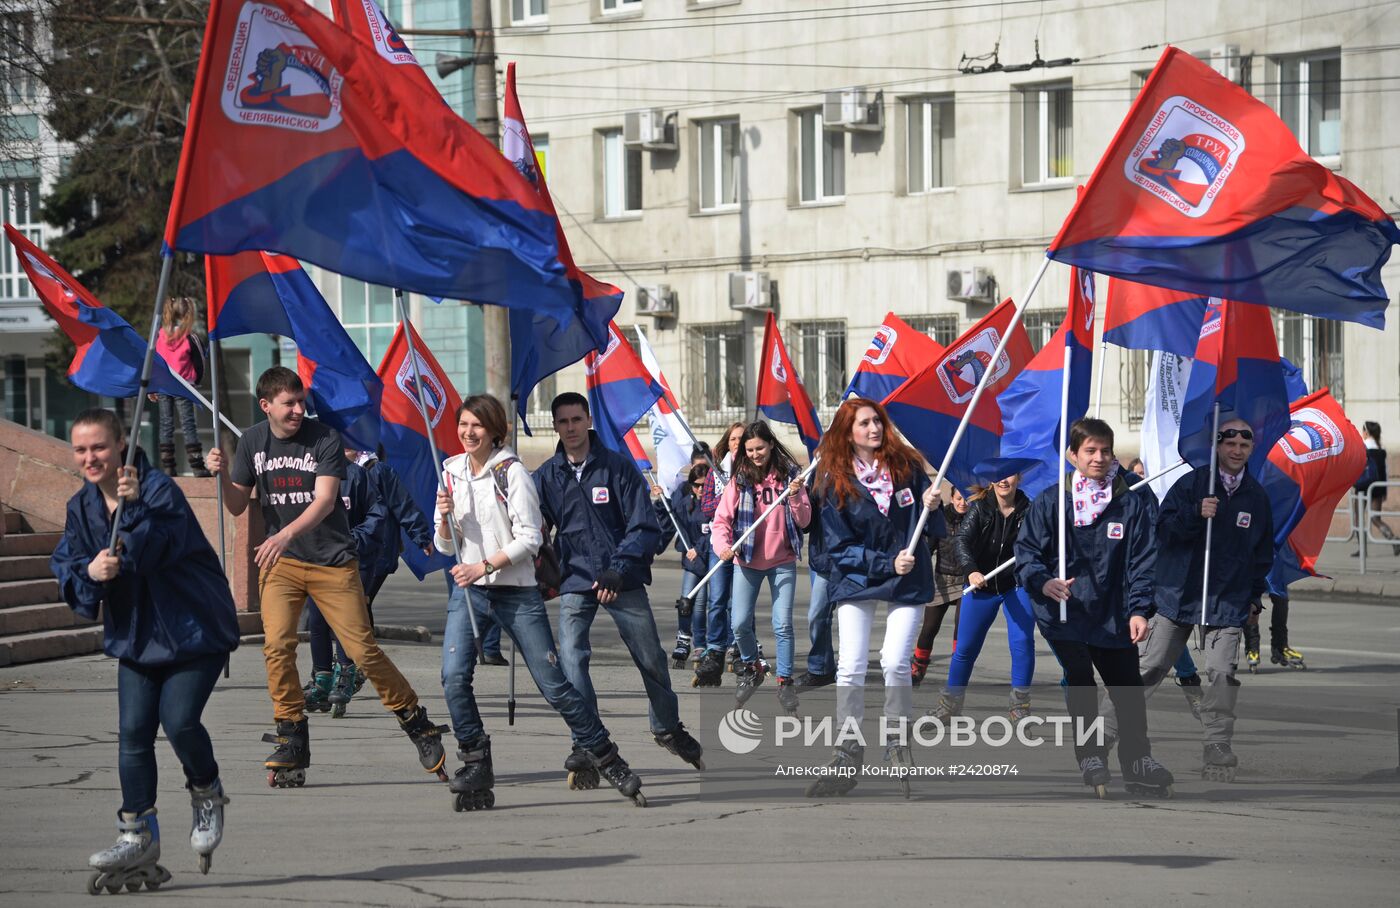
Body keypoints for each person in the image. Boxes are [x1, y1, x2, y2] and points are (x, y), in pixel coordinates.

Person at [206, 366, 448, 787]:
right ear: (266, 406)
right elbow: (236, 507)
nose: (298, 410)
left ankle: (416, 722)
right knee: (277, 646)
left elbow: (324, 500)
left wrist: (282, 534)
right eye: (289, 404)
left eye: (301, 402)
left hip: (332, 561)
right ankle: (291, 734)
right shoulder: (252, 442)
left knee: (362, 651)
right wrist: (222, 475)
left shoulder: (325, 439)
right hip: (282, 565)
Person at [51, 409, 240, 890]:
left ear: (120, 446)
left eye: (99, 447)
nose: (90, 458)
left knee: (178, 721)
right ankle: (137, 832)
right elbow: (68, 564)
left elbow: (153, 547)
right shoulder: (82, 507)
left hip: (194, 629)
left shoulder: (157, 492)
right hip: (137, 635)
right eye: (81, 449)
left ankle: (206, 791)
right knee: (133, 732)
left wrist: (133, 511)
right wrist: (88, 574)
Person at [434, 394, 648, 809]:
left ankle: (606, 756)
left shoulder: (511, 472)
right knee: (452, 676)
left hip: (516, 592)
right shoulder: (450, 472)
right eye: (463, 425)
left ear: (494, 429)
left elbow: (531, 538)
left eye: (477, 425)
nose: (468, 433)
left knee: (554, 685)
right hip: (471, 592)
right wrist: (444, 519)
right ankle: (476, 759)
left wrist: (484, 566)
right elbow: (446, 547)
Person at [534, 392, 704, 798]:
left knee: (652, 658)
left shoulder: (617, 467)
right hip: (576, 579)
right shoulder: (547, 475)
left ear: (588, 420)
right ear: (555, 426)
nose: (571, 428)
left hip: (620, 578)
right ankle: (587, 738)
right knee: (572, 657)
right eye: (563, 422)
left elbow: (643, 527)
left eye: (577, 420)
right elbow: (530, 524)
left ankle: (667, 727)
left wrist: (618, 568)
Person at [1101, 416, 1273, 783]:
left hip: (1227, 601)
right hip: (1179, 594)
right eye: (1230, 444)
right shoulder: (1192, 484)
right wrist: (1197, 514)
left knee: (1222, 674)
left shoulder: (1256, 497)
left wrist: (1255, 596)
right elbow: (1163, 531)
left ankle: (1217, 744)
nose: (1237, 451)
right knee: (1148, 669)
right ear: (1218, 446)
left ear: (1250, 449)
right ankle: (1104, 732)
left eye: (1244, 445)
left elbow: (1262, 552)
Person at [1016, 417, 1174, 798]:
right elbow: (1027, 554)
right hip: (1064, 613)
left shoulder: (1130, 503)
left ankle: (1138, 760)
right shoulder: (1053, 501)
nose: (1099, 458)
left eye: (1105, 450)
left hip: (1113, 614)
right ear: (1073, 455)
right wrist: (1044, 581)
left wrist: (1139, 610)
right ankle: (1090, 756)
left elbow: (1143, 561)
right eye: (1090, 450)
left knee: (1128, 691)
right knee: (1082, 682)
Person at [804, 399, 942, 797]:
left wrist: (932, 505)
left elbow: (928, 524)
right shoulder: (833, 479)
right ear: (848, 432)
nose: (874, 428)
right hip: (859, 576)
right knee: (849, 665)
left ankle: (897, 740)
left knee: (896, 662)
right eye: (864, 423)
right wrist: (884, 562)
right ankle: (847, 747)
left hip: (908, 577)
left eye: (877, 421)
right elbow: (836, 546)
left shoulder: (907, 467)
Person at [711, 421, 812, 711]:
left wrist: (794, 495)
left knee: (782, 625)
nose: (755, 454)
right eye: (750, 449)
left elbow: (804, 521)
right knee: (739, 623)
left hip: (782, 561)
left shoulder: (791, 476)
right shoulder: (740, 479)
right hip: (748, 561)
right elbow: (721, 520)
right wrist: (723, 548)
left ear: (771, 445)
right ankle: (752, 667)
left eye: (760, 448)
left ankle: (784, 682)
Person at [929, 473, 1036, 721]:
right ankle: (950, 705)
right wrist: (971, 570)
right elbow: (962, 541)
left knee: (1022, 644)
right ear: (991, 480)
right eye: (998, 475)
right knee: (965, 648)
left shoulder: (1030, 510)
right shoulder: (979, 507)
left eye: (1010, 474)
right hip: (981, 585)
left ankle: (1020, 707)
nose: (1004, 480)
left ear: (1019, 478)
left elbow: (1041, 544)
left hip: (1015, 585)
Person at [301, 456, 386, 717]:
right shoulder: (309, 472)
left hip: (351, 561)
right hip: (317, 559)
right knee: (316, 621)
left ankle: (345, 675)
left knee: (343, 623)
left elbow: (376, 514)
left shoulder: (357, 476)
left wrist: (354, 540)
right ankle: (321, 679)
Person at [698, 422, 746, 675]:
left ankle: (739, 647)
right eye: (734, 439)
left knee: (738, 602)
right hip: (718, 544)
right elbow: (706, 508)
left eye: (742, 438)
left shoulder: (753, 470)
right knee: (717, 599)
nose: (737, 443)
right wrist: (728, 495)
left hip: (744, 545)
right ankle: (715, 646)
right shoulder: (715, 471)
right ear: (727, 442)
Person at [911, 487, 968, 686]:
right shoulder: (940, 518)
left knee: (961, 628)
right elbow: (928, 548)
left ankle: (957, 671)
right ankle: (918, 667)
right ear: (951, 498)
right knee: (929, 628)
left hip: (966, 581)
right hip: (942, 579)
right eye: (959, 498)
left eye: (966, 499)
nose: (963, 503)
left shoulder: (976, 518)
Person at [149, 297, 209, 477]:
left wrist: (152, 387)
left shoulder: (159, 336)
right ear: (188, 315)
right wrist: (196, 381)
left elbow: (154, 362)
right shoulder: (190, 337)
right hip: (184, 385)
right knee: (188, 424)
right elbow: (200, 362)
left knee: (166, 423)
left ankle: (168, 466)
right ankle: (197, 466)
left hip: (164, 386)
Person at [669, 460, 713, 669]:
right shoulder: (685, 503)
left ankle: (701, 644)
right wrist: (662, 498)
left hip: (709, 561)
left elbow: (717, 530)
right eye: (696, 485)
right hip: (692, 562)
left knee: (702, 604)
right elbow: (672, 518)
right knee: (686, 601)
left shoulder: (715, 504)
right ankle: (683, 638)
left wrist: (700, 547)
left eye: (705, 485)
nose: (701, 489)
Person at [795, 471, 836, 689]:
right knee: (818, 616)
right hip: (824, 559)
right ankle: (822, 669)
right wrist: (797, 496)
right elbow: (807, 524)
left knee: (853, 620)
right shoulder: (818, 475)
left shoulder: (863, 472)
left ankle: (850, 669)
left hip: (853, 560)